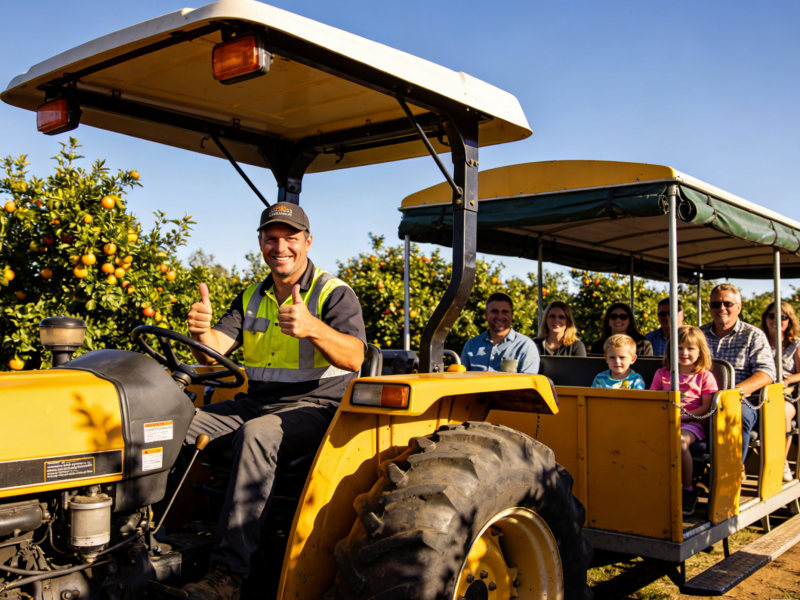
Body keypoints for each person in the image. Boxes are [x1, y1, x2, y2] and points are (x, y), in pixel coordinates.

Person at [179, 202, 367, 600]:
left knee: (257, 435)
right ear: (261, 243)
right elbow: (215, 349)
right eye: (272, 238)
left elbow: (354, 356)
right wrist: (200, 333)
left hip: (317, 408)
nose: (281, 246)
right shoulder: (250, 294)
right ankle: (149, 536)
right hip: (257, 401)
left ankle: (226, 576)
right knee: (175, 421)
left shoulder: (334, 294)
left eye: (290, 238)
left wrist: (312, 327)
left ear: (307, 241)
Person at [700, 283, 775, 466]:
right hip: (701, 397)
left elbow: (766, 373)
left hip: (741, 400)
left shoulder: (753, 335)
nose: (722, 308)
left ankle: (731, 472)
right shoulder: (698, 335)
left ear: (738, 307)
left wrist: (731, 394)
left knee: (736, 415)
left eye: (728, 304)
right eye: (716, 304)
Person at [650, 326, 718, 514]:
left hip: (693, 423)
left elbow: (706, 406)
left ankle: (687, 490)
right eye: (679, 348)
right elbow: (653, 398)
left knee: (680, 442)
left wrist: (685, 416)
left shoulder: (705, 376)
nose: (684, 353)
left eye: (690, 348)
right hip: (665, 419)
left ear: (700, 351)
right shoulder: (662, 374)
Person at [760, 301, 800, 482]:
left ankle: (782, 461)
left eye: (782, 317)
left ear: (789, 320)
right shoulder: (758, 341)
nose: (776, 320)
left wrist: (786, 381)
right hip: (761, 392)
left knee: (782, 412)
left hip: (788, 393)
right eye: (772, 316)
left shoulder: (795, 344)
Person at [461, 292, 540, 373]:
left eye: (505, 311)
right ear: (486, 314)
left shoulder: (525, 346)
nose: (499, 316)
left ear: (512, 315)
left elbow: (528, 384)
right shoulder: (471, 345)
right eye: (494, 311)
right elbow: (462, 380)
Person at [589, 302, 653, 357]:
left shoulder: (643, 345)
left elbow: (647, 369)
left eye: (623, 317)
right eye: (613, 316)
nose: (618, 320)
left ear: (630, 321)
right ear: (608, 321)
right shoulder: (597, 346)